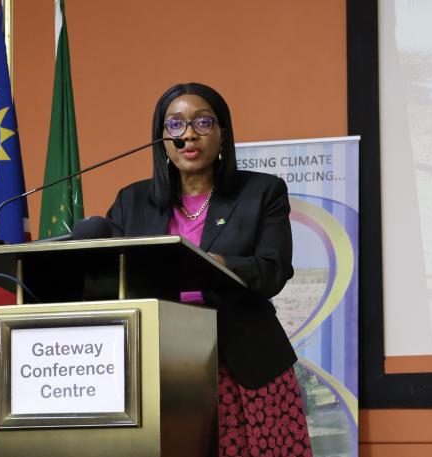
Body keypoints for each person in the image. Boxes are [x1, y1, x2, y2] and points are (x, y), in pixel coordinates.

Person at [106, 83, 312, 457]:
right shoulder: (131, 201)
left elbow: (273, 269)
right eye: (175, 125)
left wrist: (220, 266)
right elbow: (109, 274)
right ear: (161, 139)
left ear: (223, 134)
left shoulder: (261, 192)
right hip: (154, 364)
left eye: (202, 122)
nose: (188, 134)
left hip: (240, 365)